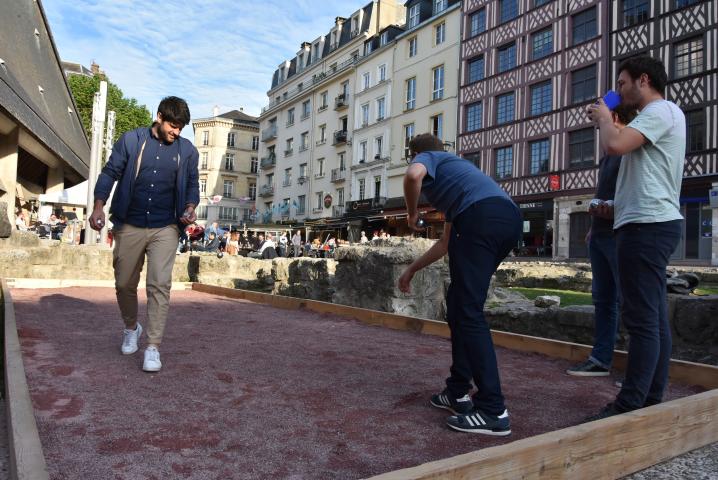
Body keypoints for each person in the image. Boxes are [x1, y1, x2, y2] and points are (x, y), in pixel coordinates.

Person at [398, 133, 521, 435]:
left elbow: (413, 176)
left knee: (467, 311)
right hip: (507, 218)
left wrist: (412, 213)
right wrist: (412, 269)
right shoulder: (460, 176)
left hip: (480, 219)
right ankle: (457, 390)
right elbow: (445, 243)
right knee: (460, 306)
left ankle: (493, 410)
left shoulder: (428, 158)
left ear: (414, 153)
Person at [585, 55, 684, 420]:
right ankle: (650, 397)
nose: (619, 90)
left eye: (623, 83)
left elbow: (615, 145)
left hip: (647, 225)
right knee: (653, 317)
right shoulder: (655, 116)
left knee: (641, 319)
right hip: (648, 224)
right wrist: (607, 115)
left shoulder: (660, 111)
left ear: (644, 80)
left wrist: (605, 117)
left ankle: (629, 405)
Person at [89, 96, 199, 373]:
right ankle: (131, 327)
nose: (176, 132)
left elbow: (192, 184)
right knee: (124, 283)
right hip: (130, 222)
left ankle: (153, 347)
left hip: (166, 226)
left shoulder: (187, 151)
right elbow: (110, 172)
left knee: (159, 284)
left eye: (181, 128)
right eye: (173, 126)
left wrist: (190, 206)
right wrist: (98, 206)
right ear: (159, 117)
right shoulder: (131, 141)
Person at [567, 104, 637, 377]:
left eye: (598, 120)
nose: (596, 126)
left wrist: (612, 209)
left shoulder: (626, 149)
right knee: (604, 299)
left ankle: (637, 369)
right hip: (600, 233)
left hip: (619, 234)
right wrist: (594, 225)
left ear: (615, 118)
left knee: (629, 301)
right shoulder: (608, 156)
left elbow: (632, 192)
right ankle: (601, 358)